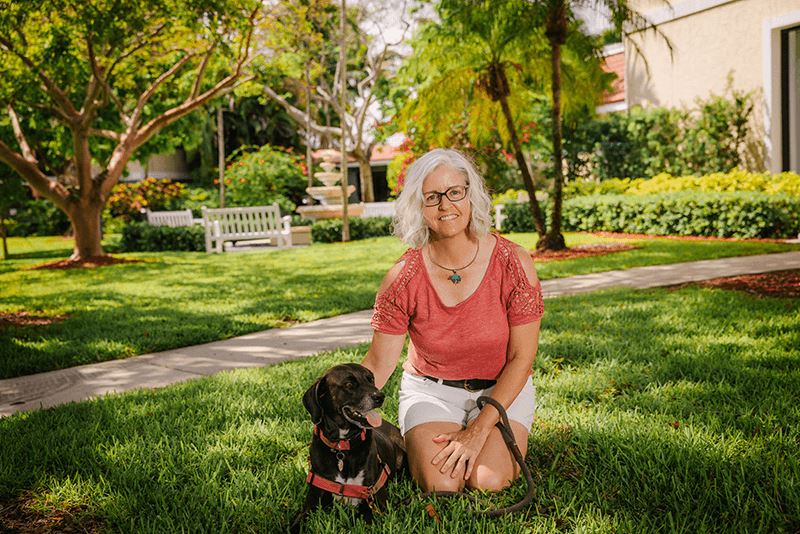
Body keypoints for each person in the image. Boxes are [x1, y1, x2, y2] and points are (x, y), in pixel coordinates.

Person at [361, 148, 544, 493]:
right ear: (418, 206)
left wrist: (479, 430)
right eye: (432, 197)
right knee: (442, 484)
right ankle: (413, 437)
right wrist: (346, 404)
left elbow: (522, 359)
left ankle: (486, 438)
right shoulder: (403, 276)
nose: (446, 206)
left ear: (471, 195)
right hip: (432, 392)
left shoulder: (514, 262)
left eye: (454, 192)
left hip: (501, 389)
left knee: (488, 481)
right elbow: (379, 362)